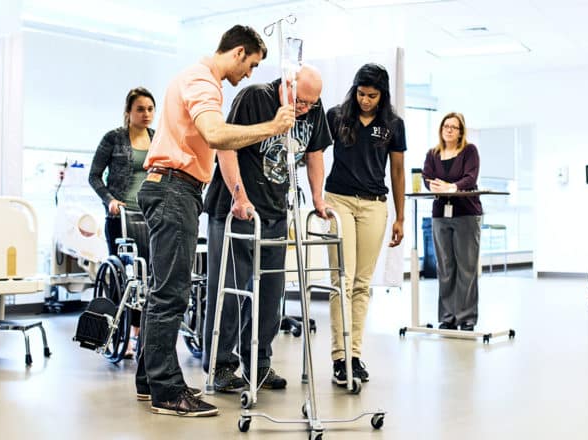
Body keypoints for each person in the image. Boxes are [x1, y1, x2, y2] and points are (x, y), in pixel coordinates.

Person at [133, 25, 295, 418]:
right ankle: (167, 392)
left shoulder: (198, 80)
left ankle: (149, 379)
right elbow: (215, 134)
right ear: (238, 52)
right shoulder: (202, 81)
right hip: (175, 188)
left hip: (174, 187)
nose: (250, 74)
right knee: (172, 294)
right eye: (252, 64)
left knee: (163, 291)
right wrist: (273, 127)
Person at [202, 64, 332, 393]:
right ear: (287, 85)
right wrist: (239, 196)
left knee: (270, 294)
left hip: (274, 211)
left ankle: (258, 364)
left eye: (309, 104)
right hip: (236, 210)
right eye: (299, 101)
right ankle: (220, 365)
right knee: (229, 291)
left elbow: (314, 154)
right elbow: (225, 145)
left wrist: (318, 197)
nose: (303, 109)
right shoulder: (254, 98)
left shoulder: (314, 110)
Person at [324, 63, 406, 386]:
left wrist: (400, 216)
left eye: (372, 96)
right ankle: (339, 357)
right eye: (361, 94)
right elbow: (315, 153)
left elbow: (398, 171)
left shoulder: (394, 126)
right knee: (340, 279)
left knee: (361, 283)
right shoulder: (337, 116)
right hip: (339, 200)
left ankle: (354, 355)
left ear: (382, 96)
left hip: (374, 205)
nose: (365, 101)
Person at [88, 87, 156, 357]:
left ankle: (140, 334)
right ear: (128, 112)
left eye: (150, 109)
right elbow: (94, 176)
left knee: (146, 277)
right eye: (140, 109)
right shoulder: (114, 138)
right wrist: (110, 200)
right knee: (123, 278)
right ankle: (120, 335)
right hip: (121, 218)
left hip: (149, 217)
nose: (146, 114)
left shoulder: (157, 138)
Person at [421, 112, 482, 331]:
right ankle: (447, 317)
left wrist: (451, 187)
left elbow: (470, 178)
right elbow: (427, 178)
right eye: (446, 126)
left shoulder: (469, 151)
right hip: (441, 215)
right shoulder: (433, 154)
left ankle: (466, 318)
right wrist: (436, 187)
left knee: (466, 267)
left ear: (460, 131)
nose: (449, 129)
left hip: (466, 213)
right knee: (445, 267)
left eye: (454, 127)